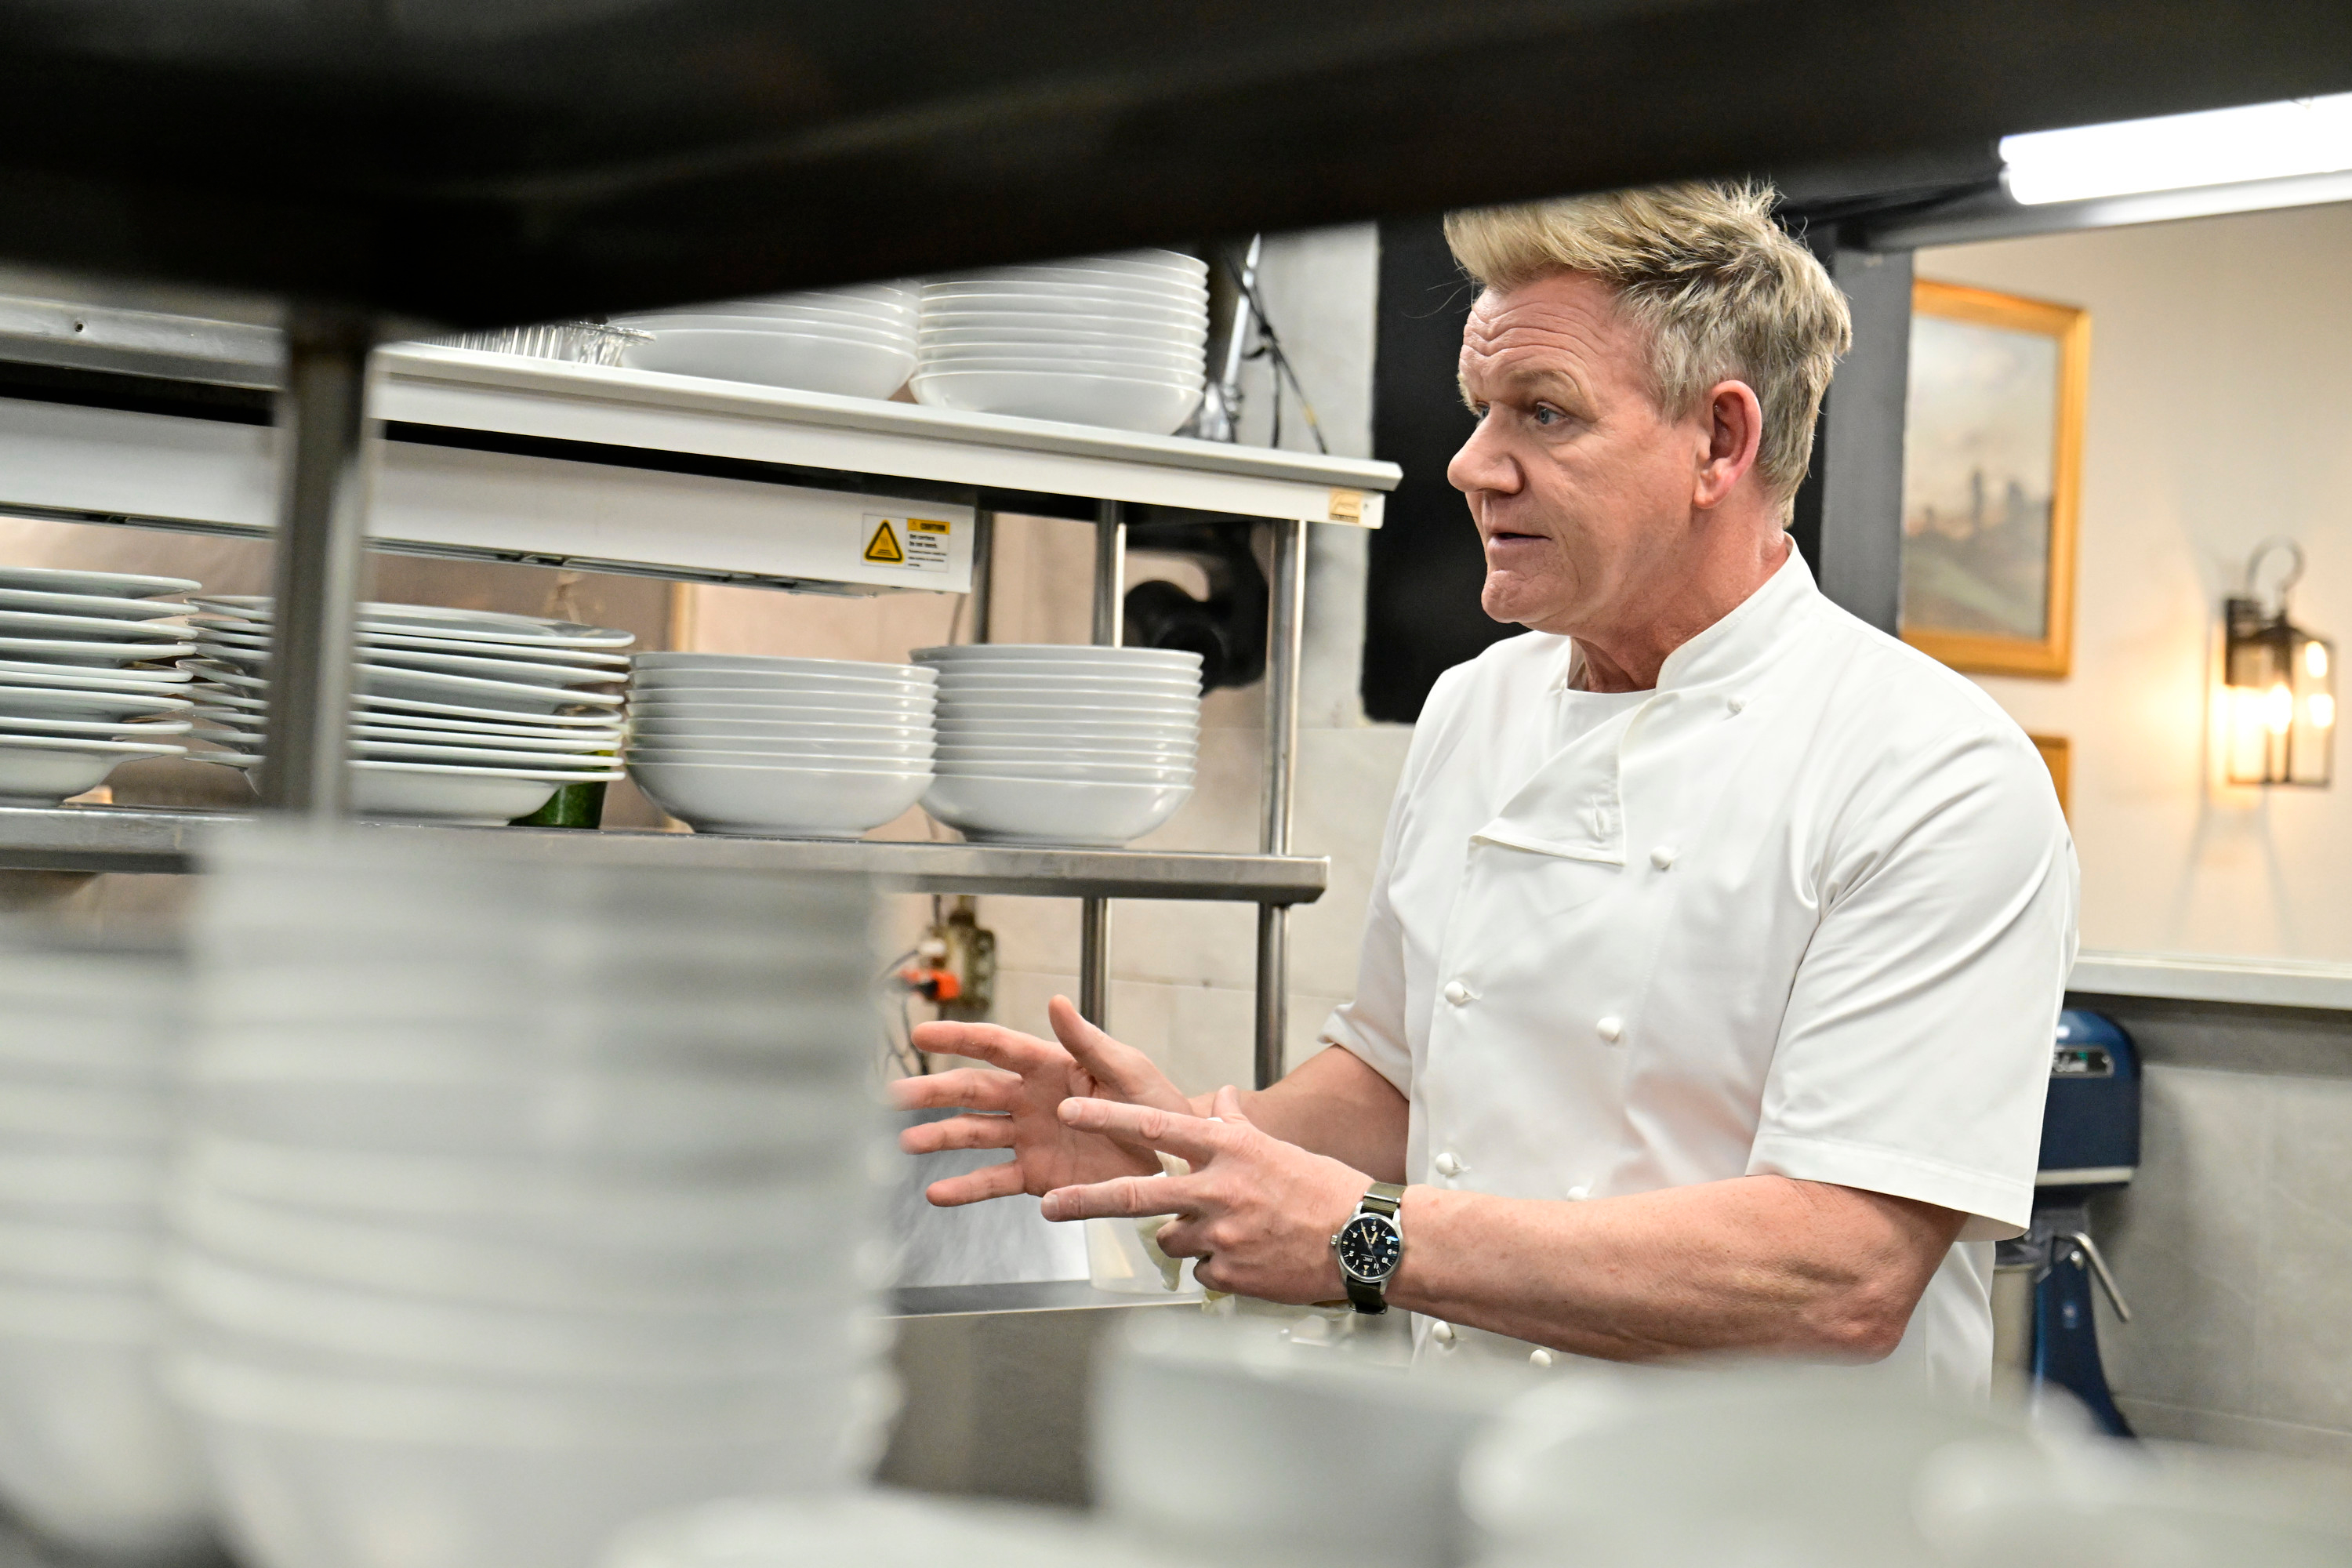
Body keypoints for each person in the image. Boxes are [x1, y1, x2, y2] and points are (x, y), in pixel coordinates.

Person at [893, 182, 2076, 1393]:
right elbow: (1399, 1079)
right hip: (1473, 1470)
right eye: (1478, 410)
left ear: (1721, 442)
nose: (1469, 464)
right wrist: (1188, 1141)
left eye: (1544, 414)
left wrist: (1369, 1237)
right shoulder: (1478, 706)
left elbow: (1841, 1275)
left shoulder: (1933, 771)